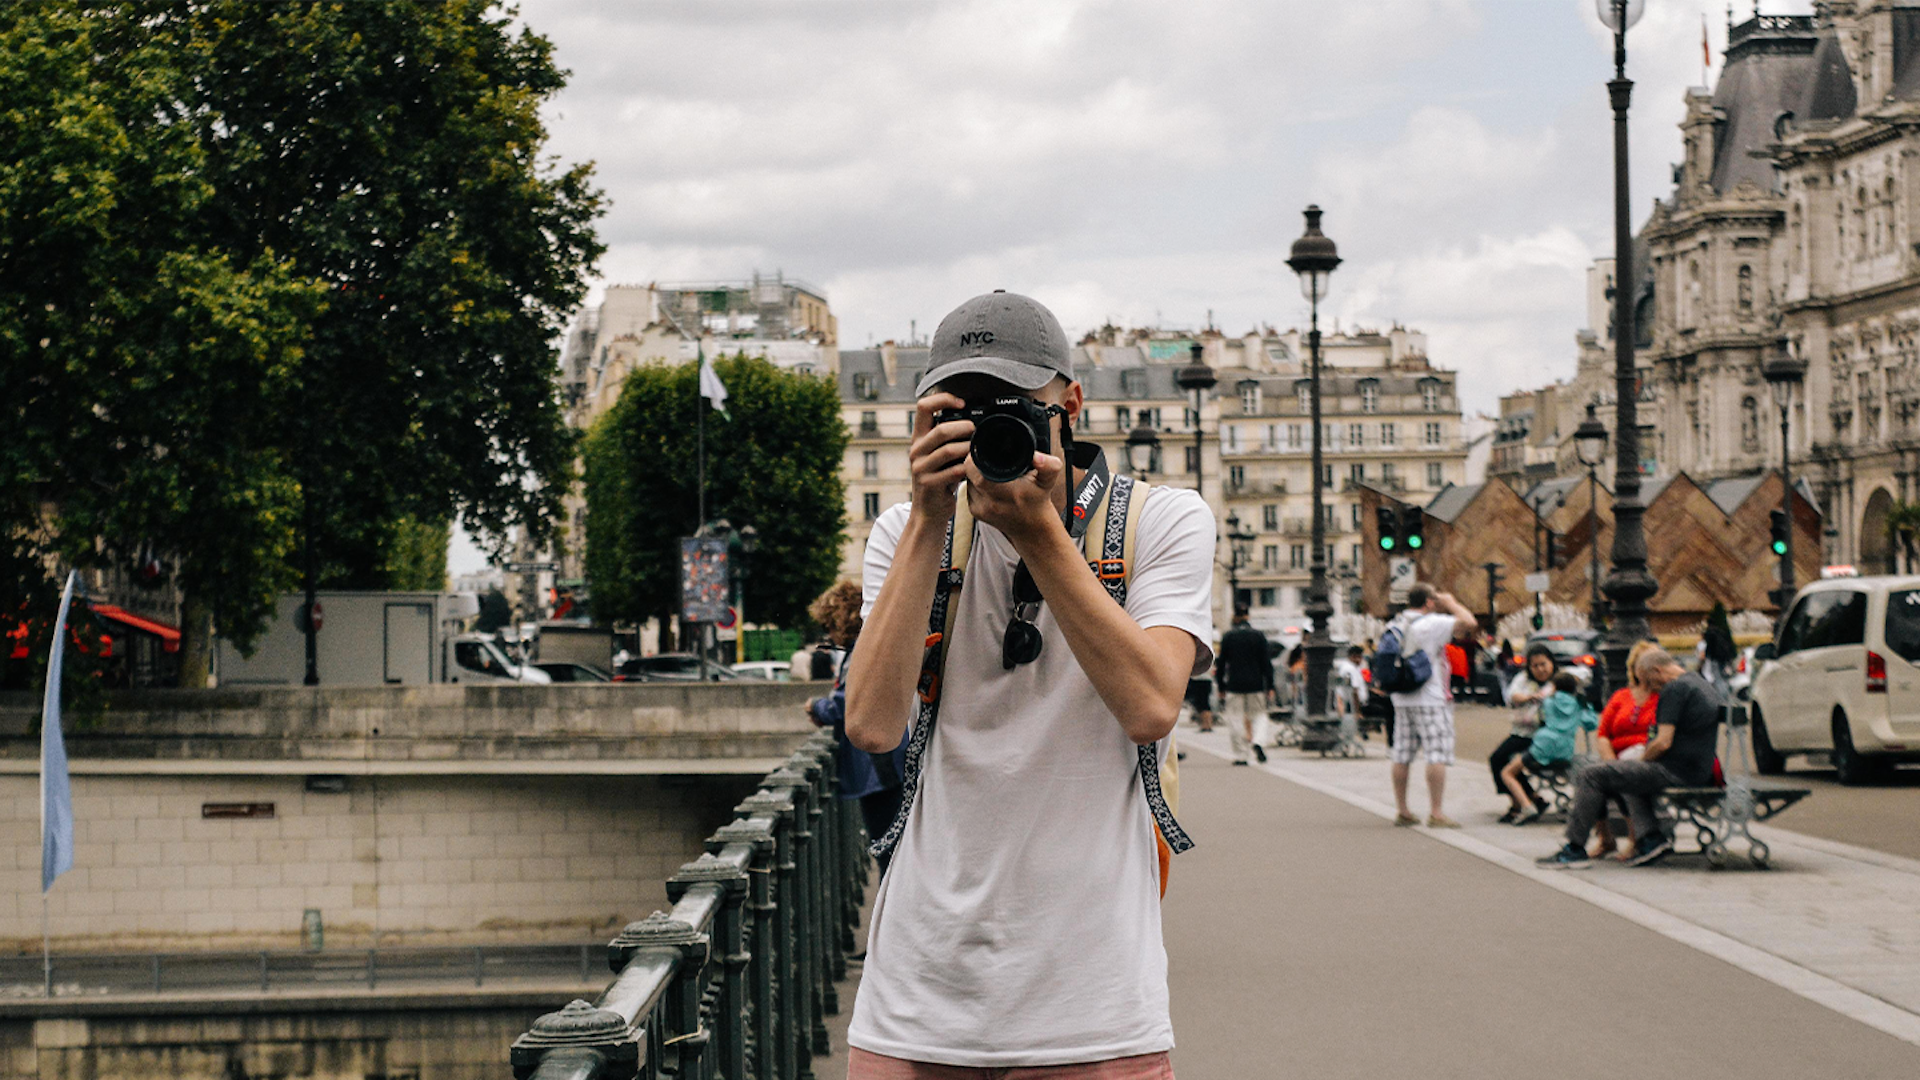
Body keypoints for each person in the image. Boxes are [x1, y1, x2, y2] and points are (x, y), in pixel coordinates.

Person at [843, 290, 1212, 1077]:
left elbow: (1151, 707)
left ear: (1070, 405)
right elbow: (873, 725)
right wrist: (925, 518)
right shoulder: (907, 536)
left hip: (1092, 1000)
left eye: (1012, 406)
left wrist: (1038, 530)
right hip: (916, 995)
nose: (985, 432)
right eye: (962, 410)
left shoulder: (1162, 521)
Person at [1537, 648, 1723, 870]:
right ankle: (1651, 839)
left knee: (1590, 774)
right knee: (1628, 777)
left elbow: (1663, 742)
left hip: (1676, 771)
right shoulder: (1698, 683)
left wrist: (1642, 761)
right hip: (1698, 769)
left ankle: (1574, 848)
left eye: (1649, 681)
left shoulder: (1675, 689)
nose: (1650, 688)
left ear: (1657, 670)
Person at [806, 580, 906, 879]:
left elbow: (846, 705)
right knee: (894, 849)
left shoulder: (861, 651)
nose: (830, 634)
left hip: (880, 767)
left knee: (887, 848)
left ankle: (892, 920)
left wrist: (815, 707)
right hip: (890, 760)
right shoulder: (872, 642)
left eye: (830, 626)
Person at [1385, 583, 1478, 828]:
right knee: (1435, 754)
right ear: (1428, 602)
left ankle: (1403, 810)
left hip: (1402, 698)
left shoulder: (1395, 623)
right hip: (1430, 698)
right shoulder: (1433, 623)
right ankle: (1436, 813)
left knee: (1401, 754)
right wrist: (1451, 603)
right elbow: (1469, 623)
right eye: (1434, 598)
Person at [1591, 639, 1661, 859]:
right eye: (1643, 664)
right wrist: (1610, 761)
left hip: (1647, 757)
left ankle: (1634, 838)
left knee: (1623, 776)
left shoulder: (1665, 697)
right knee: (1593, 776)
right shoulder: (1621, 696)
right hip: (1618, 756)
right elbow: (1603, 734)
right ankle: (1605, 838)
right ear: (1634, 669)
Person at [1499, 670, 1598, 824]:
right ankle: (1530, 802)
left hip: (1543, 746)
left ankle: (1526, 805)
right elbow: (1591, 724)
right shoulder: (1579, 704)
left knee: (1507, 772)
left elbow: (1535, 717)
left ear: (1555, 687)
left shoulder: (1549, 701)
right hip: (1565, 750)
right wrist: (1586, 706)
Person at [1490, 646, 1558, 823]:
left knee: (1507, 762)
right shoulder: (1523, 679)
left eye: (1543, 664)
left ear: (1552, 663)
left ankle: (1520, 804)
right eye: (1535, 666)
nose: (1540, 669)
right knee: (1497, 758)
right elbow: (1513, 695)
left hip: (1547, 737)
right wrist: (1530, 697)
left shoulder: (1558, 682)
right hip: (1524, 733)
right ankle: (1529, 799)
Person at [1216, 606, 1273, 765]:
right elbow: (1266, 663)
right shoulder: (1258, 636)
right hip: (1256, 683)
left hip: (1235, 684)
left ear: (1235, 616)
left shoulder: (1229, 637)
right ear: (1248, 615)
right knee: (1260, 715)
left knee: (1235, 718)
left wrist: (1221, 686)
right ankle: (1258, 741)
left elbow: (1221, 664)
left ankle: (1241, 755)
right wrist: (1270, 685)